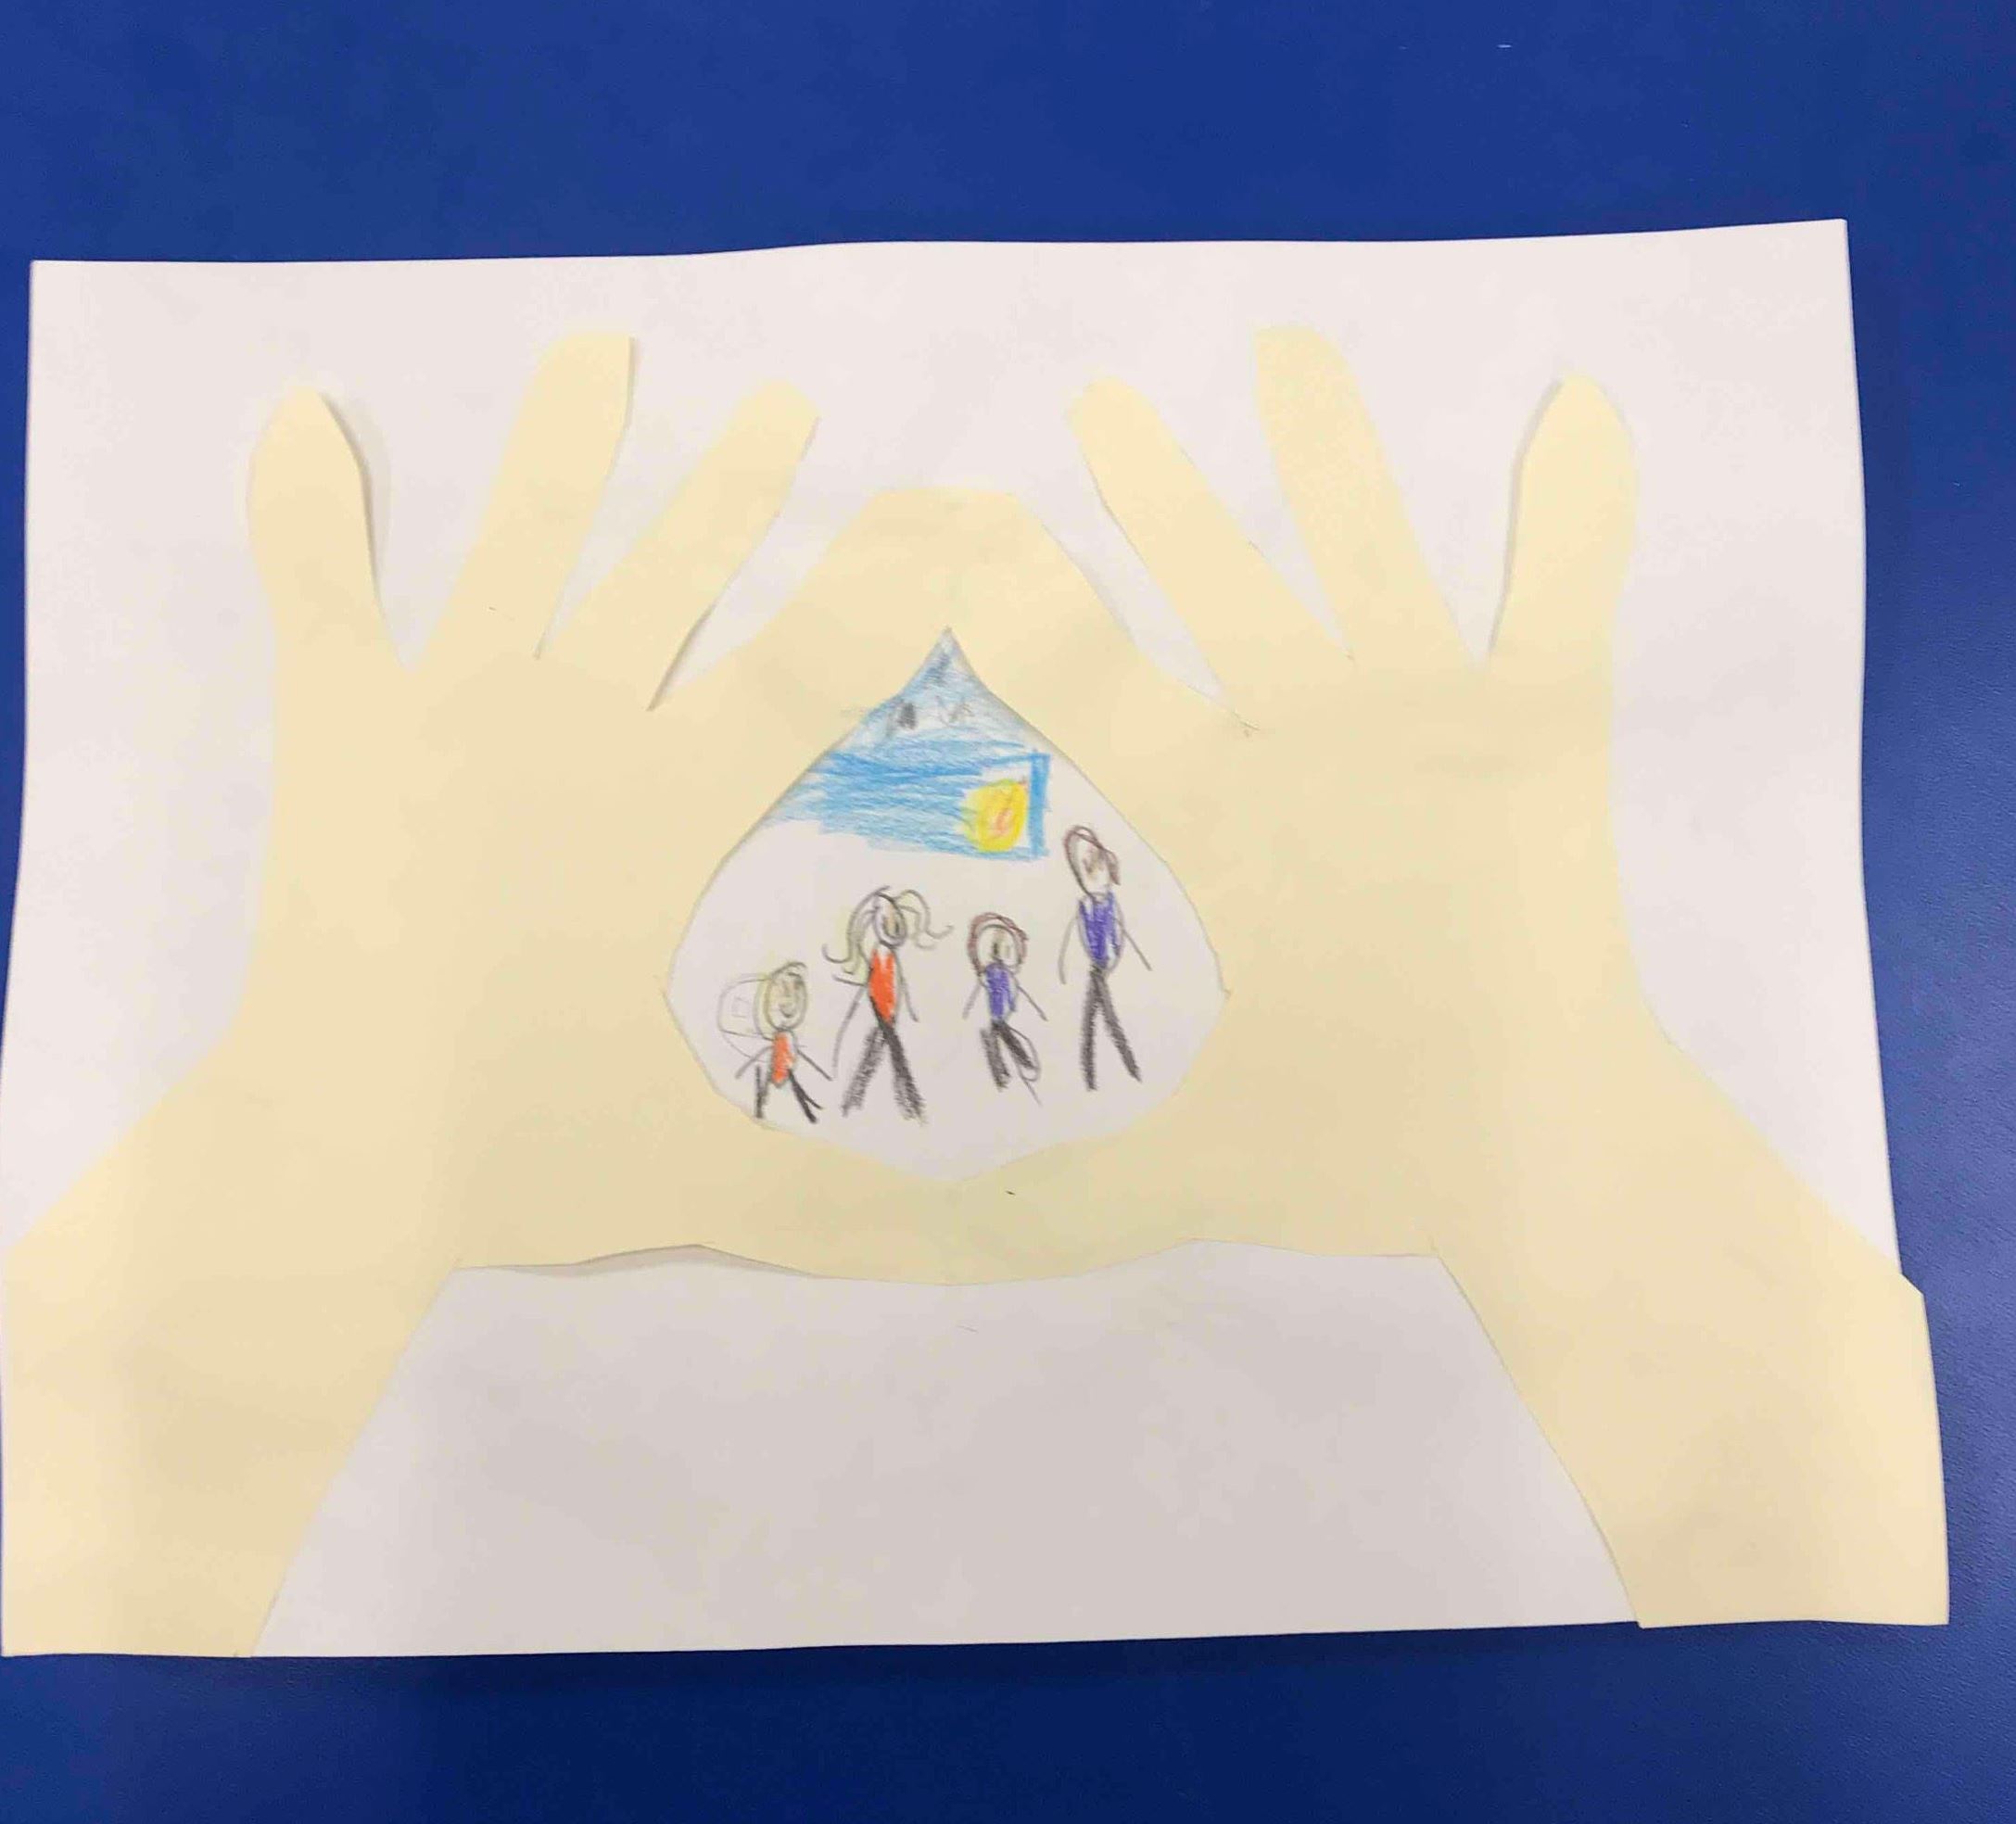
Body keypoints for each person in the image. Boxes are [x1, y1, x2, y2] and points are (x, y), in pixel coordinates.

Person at [829, 887, 942, 1120]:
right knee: (882, 1060)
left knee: (878, 1059)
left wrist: (901, 1008)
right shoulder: (880, 954)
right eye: (887, 921)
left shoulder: (889, 955)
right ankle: (864, 1101)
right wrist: (885, 1016)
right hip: (883, 1016)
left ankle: (859, 1099)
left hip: (889, 1016)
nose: (892, 926)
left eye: (894, 921)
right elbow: (879, 987)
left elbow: (896, 985)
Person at [1058, 825, 1148, 1090]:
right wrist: (1065, 969)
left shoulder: (1112, 906)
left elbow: (1121, 935)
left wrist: (1118, 963)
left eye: (1098, 866)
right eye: (1086, 870)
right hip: (1094, 972)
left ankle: (1127, 1070)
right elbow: (1073, 939)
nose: (1094, 876)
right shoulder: (1083, 908)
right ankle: (1094, 1077)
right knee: (1093, 1025)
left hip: (1105, 971)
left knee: (1107, 1023)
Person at [718, 961, 828, 1123]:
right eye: (783, 988)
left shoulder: (808, 1054)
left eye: (796, 987)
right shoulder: (753, 1070)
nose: (791, 998)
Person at [964, 912, 1046, 1096]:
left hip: (1000, 1013)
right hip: (996, 1012)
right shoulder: (991, 972)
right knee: (1001, 1037)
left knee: (1003, 1037)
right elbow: (988, 987)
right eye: (996, 948)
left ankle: (1013, 1068)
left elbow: (1011, 989)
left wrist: (1012, 1002)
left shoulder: (1003, 972)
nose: (999, 953)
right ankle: (1007, 1071)